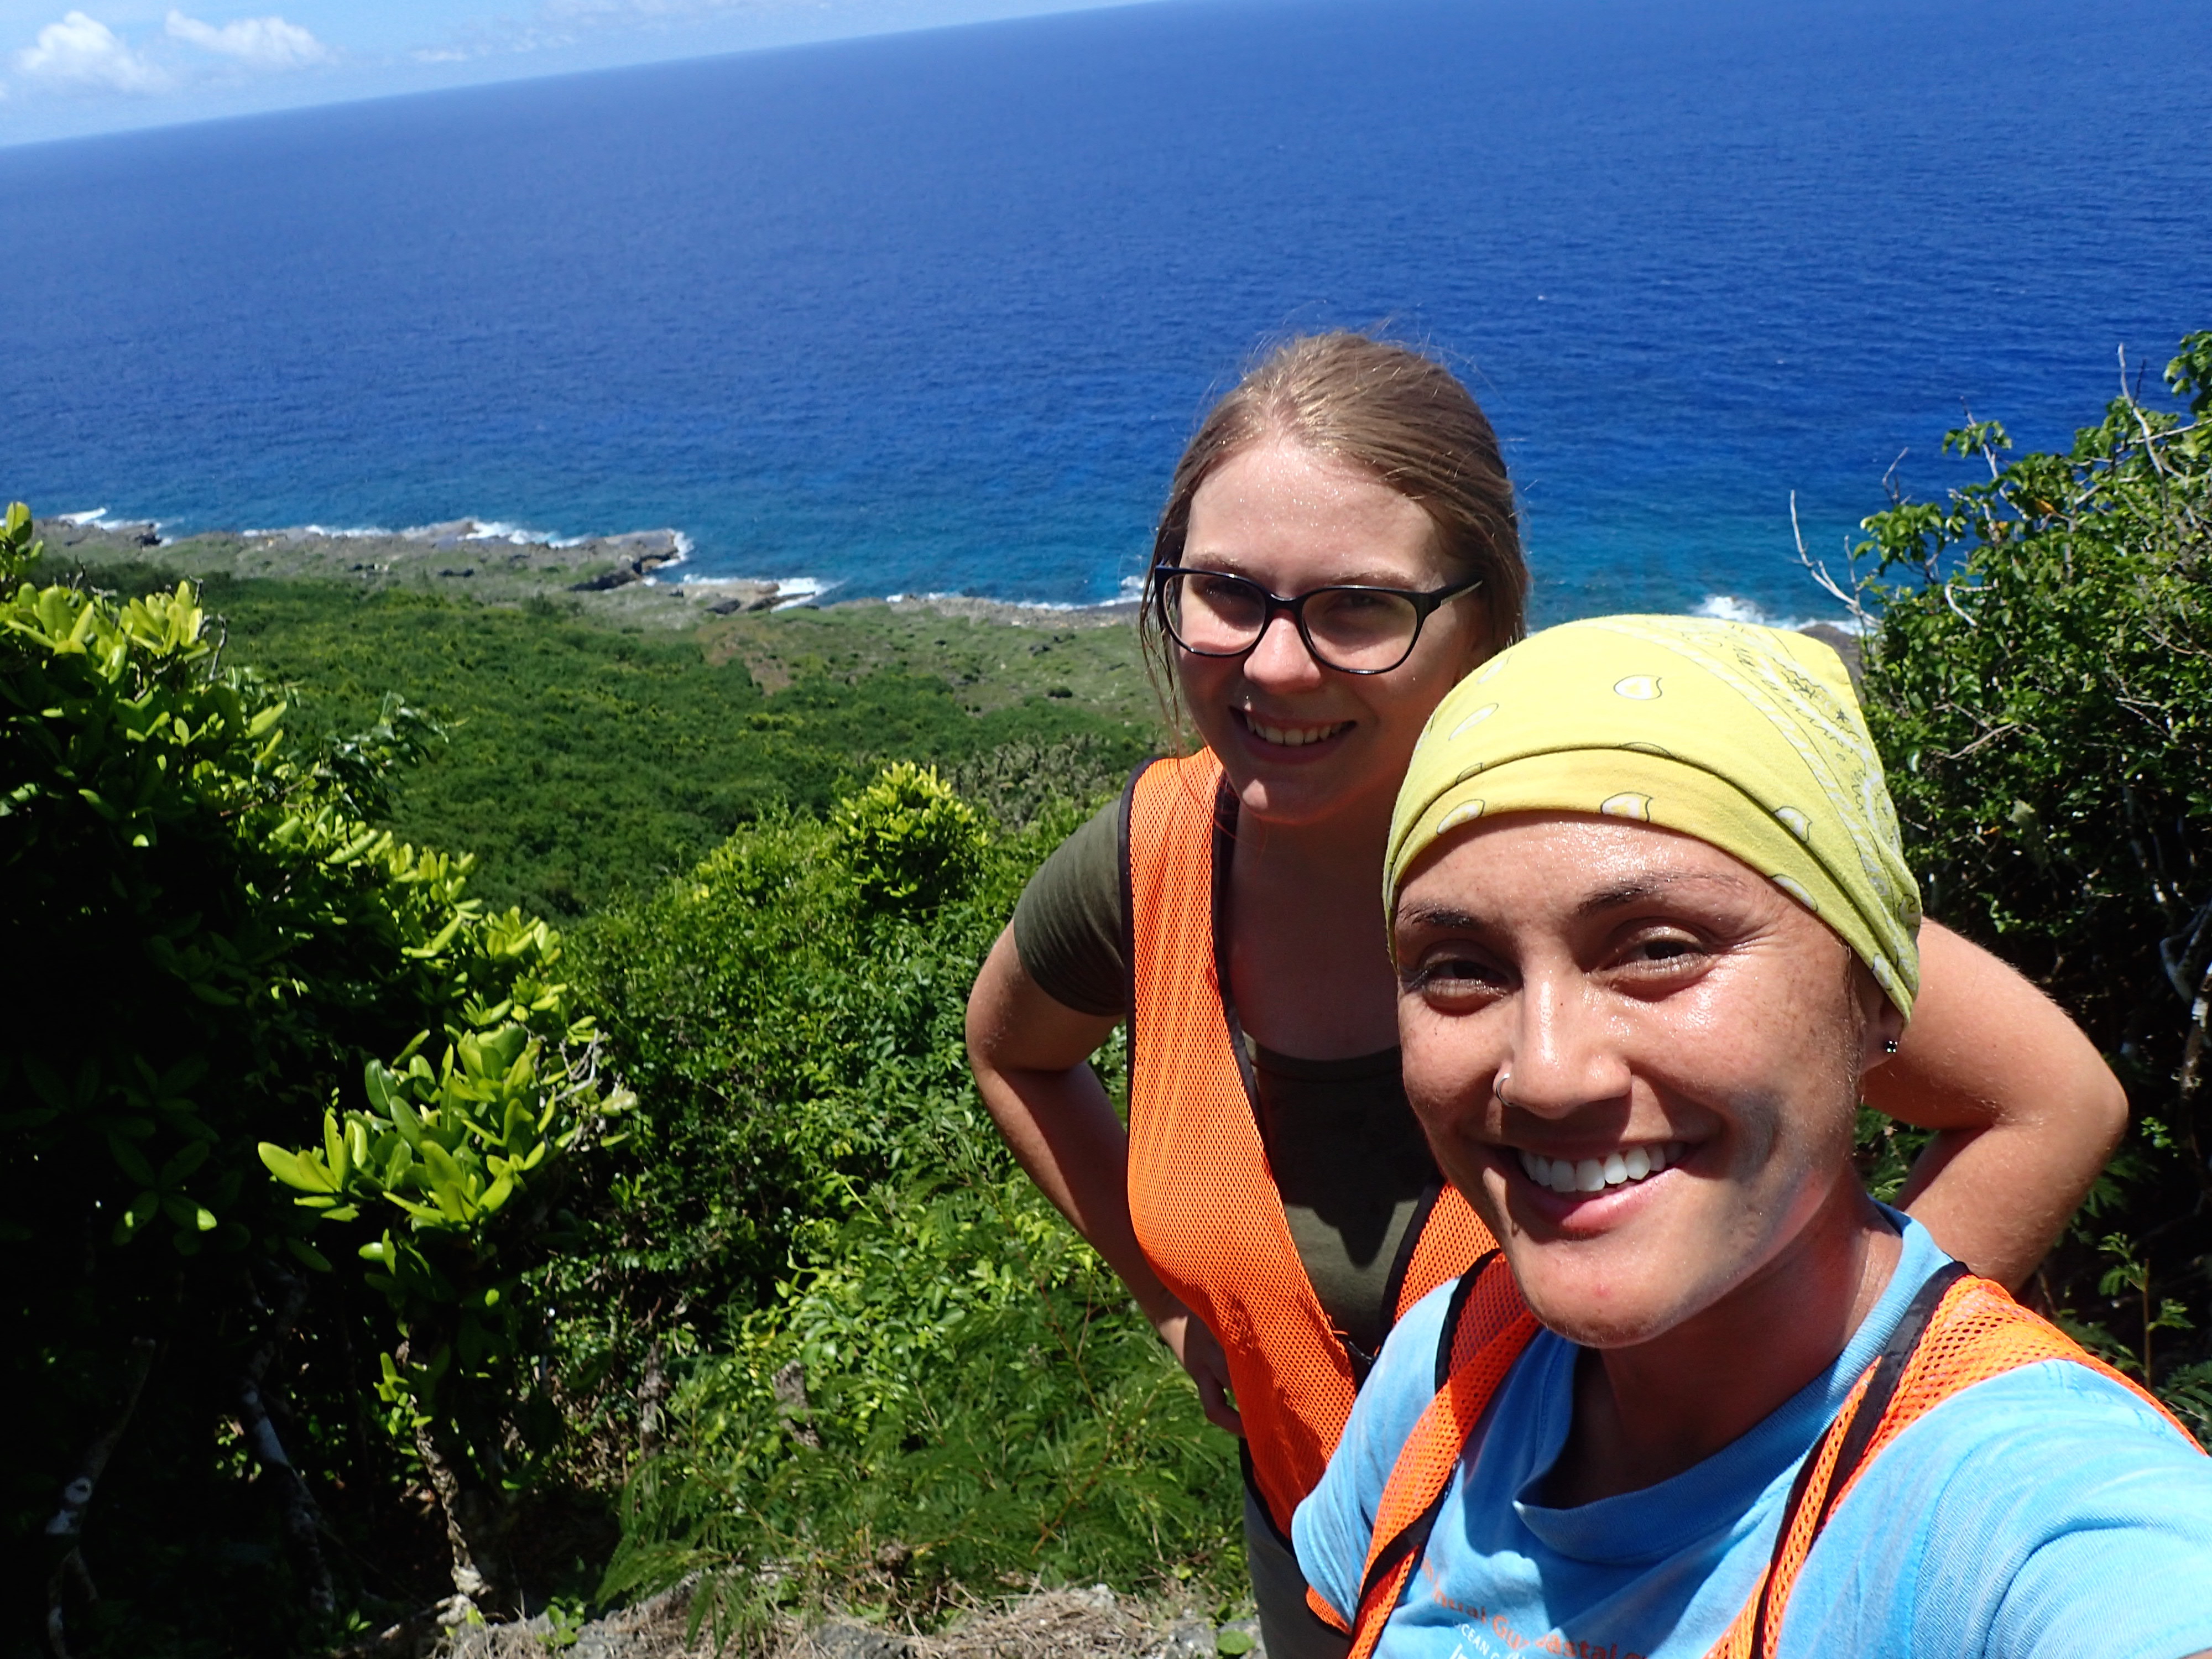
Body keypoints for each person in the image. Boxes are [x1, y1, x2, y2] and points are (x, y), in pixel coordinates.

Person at [963, 335, 2128, 1659]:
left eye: (1356, 607)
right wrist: (1177, 1310)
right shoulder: (1158, 859)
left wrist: (1808, 1431)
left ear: (1485, 624)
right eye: (1226, 592)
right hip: (1332, 1552)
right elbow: (1012, 1051)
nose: (1274, 664)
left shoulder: (1631, 848)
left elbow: (2046, 1098)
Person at [1293, 614, 2212, 1659]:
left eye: (1659, 948)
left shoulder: (2031, 1512)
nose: (1547, 1074)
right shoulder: (1451, 1372)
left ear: (1875, 994)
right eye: (1459, 965)